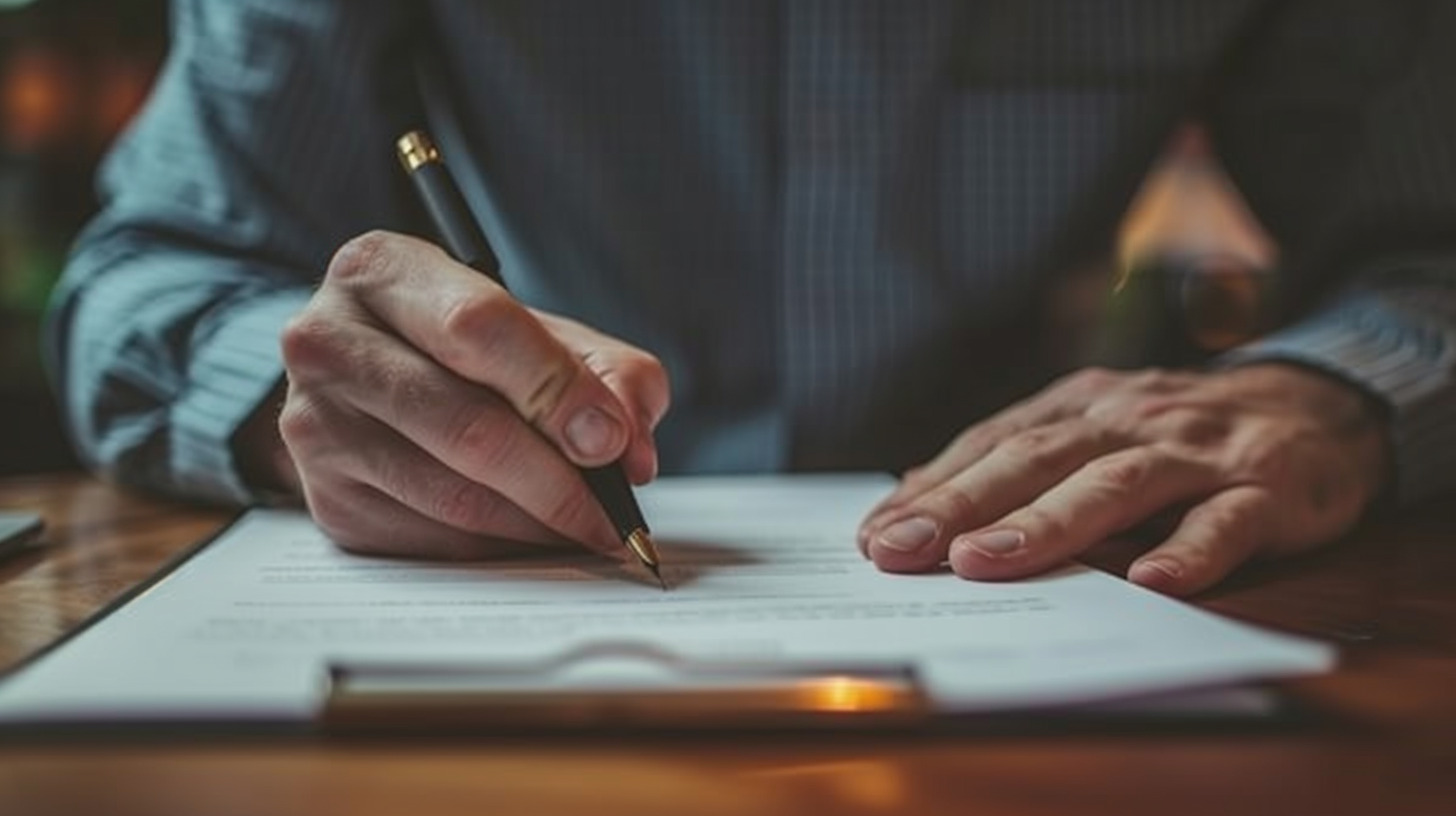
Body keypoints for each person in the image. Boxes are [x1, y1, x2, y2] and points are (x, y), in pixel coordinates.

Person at [45, 1, 1456, 596]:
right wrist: (301, 399)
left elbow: (1430, 235)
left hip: (1020, 607)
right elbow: (147, 271)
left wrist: (1335, 391)